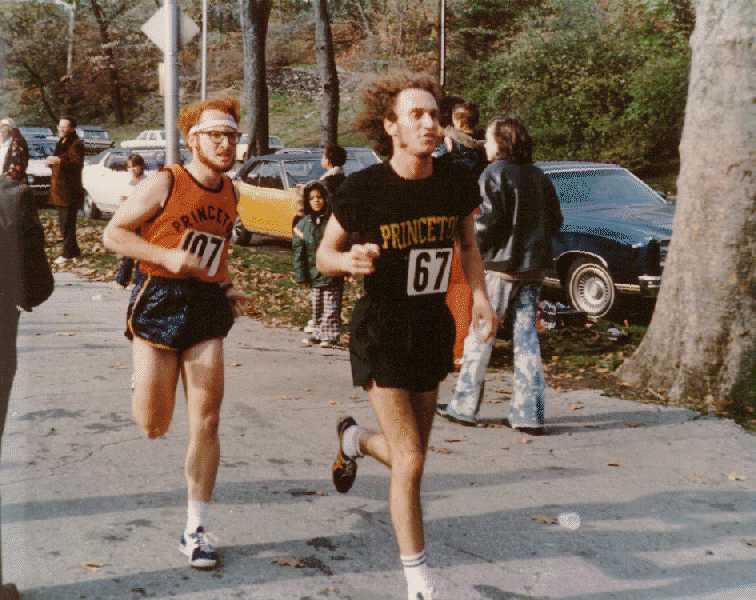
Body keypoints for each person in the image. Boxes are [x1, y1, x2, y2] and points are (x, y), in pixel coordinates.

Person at [316, 71, 496, 600]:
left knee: (408, 458)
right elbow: (325, 253)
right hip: (382, 330)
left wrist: (480, 297)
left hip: (430, 328)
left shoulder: (454, 183)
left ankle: (354, 441)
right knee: (412, 459)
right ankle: (419, 582)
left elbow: (468, 247)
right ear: (391, 126)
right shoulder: (363, 189)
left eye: (434, 115)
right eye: (415, 115)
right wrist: (348, 261)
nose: (429, 124)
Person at [103, 97, 248, 570]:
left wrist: (227, 285)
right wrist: (165, 256)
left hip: (205, 306)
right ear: (193, 140)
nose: (225, 144)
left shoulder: (230, 191)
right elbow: (114, 234)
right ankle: (146, 379)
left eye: (231, 136)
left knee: (207, 420)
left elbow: (215, 251)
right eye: (215, 135)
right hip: (159, 296)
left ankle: (196, 529)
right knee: (153, 424)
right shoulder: (167, 181)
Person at [437, 117, 563, 435]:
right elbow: (556, 220)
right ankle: (529, 414)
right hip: (533, 268)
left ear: (503, 142)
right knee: (527, 339)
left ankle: (463, 406)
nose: (486, 145)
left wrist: (471, 250)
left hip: (499, 268)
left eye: (490, 139)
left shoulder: (493, 174)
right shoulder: (539, 176)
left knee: (482, 332)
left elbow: (486, 222)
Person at [293, 181, 344, 348]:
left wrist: (342, 265)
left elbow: (342, 244)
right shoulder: (303, 224)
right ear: (307, 202)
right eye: (312, 198)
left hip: (331, 270)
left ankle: (330, 335)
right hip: (313, 272)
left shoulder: (332, 222)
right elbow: (299, 251)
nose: (316, 201)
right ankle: (317, 332)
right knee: (317, 304)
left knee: (331, 303)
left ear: (326, 199)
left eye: (319, 197)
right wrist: (301, 275)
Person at [47, 116, 85, 265]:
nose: (61, 129)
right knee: (65, 222)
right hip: (60, 190)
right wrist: (51, 162)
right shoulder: (61, 141)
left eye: (64, 127)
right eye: (59, 126)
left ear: (72, 129)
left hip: (70, 190)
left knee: (67, 224)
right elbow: (60, 160)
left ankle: (67, 254)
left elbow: (76, 163)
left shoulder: (76, 143)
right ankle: (74, 251)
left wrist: (59, 161)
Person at [114, 154, 147, 288]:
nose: (132, 169)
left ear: (141, 167)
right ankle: (122, 280)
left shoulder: (147, 182)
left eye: (135, 166)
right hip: (129, 220)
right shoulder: (126, 183)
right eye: (129, 167)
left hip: (143, 220)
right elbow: (122, 200)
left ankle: (138, 280)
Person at [0, 118, 29, 183]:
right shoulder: (3, 145)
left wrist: (8, 175)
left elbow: (18, 163)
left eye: (3, 131)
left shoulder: (17, 143)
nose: (1, 133)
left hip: (11, 182)